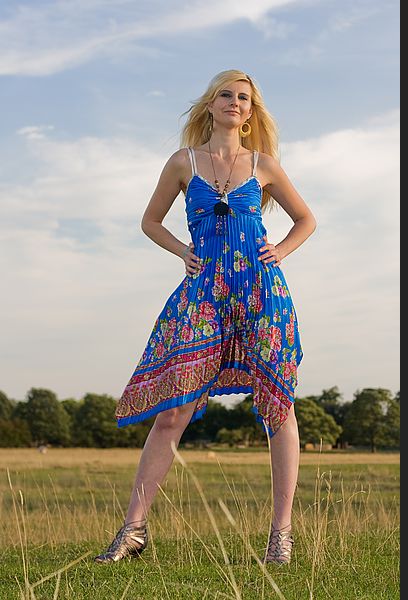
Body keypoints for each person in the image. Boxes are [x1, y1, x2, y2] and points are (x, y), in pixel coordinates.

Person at [94, 69, 316, 565]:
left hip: (262, 294)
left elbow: (307, 219)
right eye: (226, 94)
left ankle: (280, 534)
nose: (234, 102)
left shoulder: (265, 164)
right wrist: (182, 251)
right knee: (173, 410)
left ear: (250, 111)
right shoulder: (183, 161)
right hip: (203, 294)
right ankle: (133, 531)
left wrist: (279, 249)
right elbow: (150, 221)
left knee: (277, 407)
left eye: (243, 98)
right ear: (210, 104)